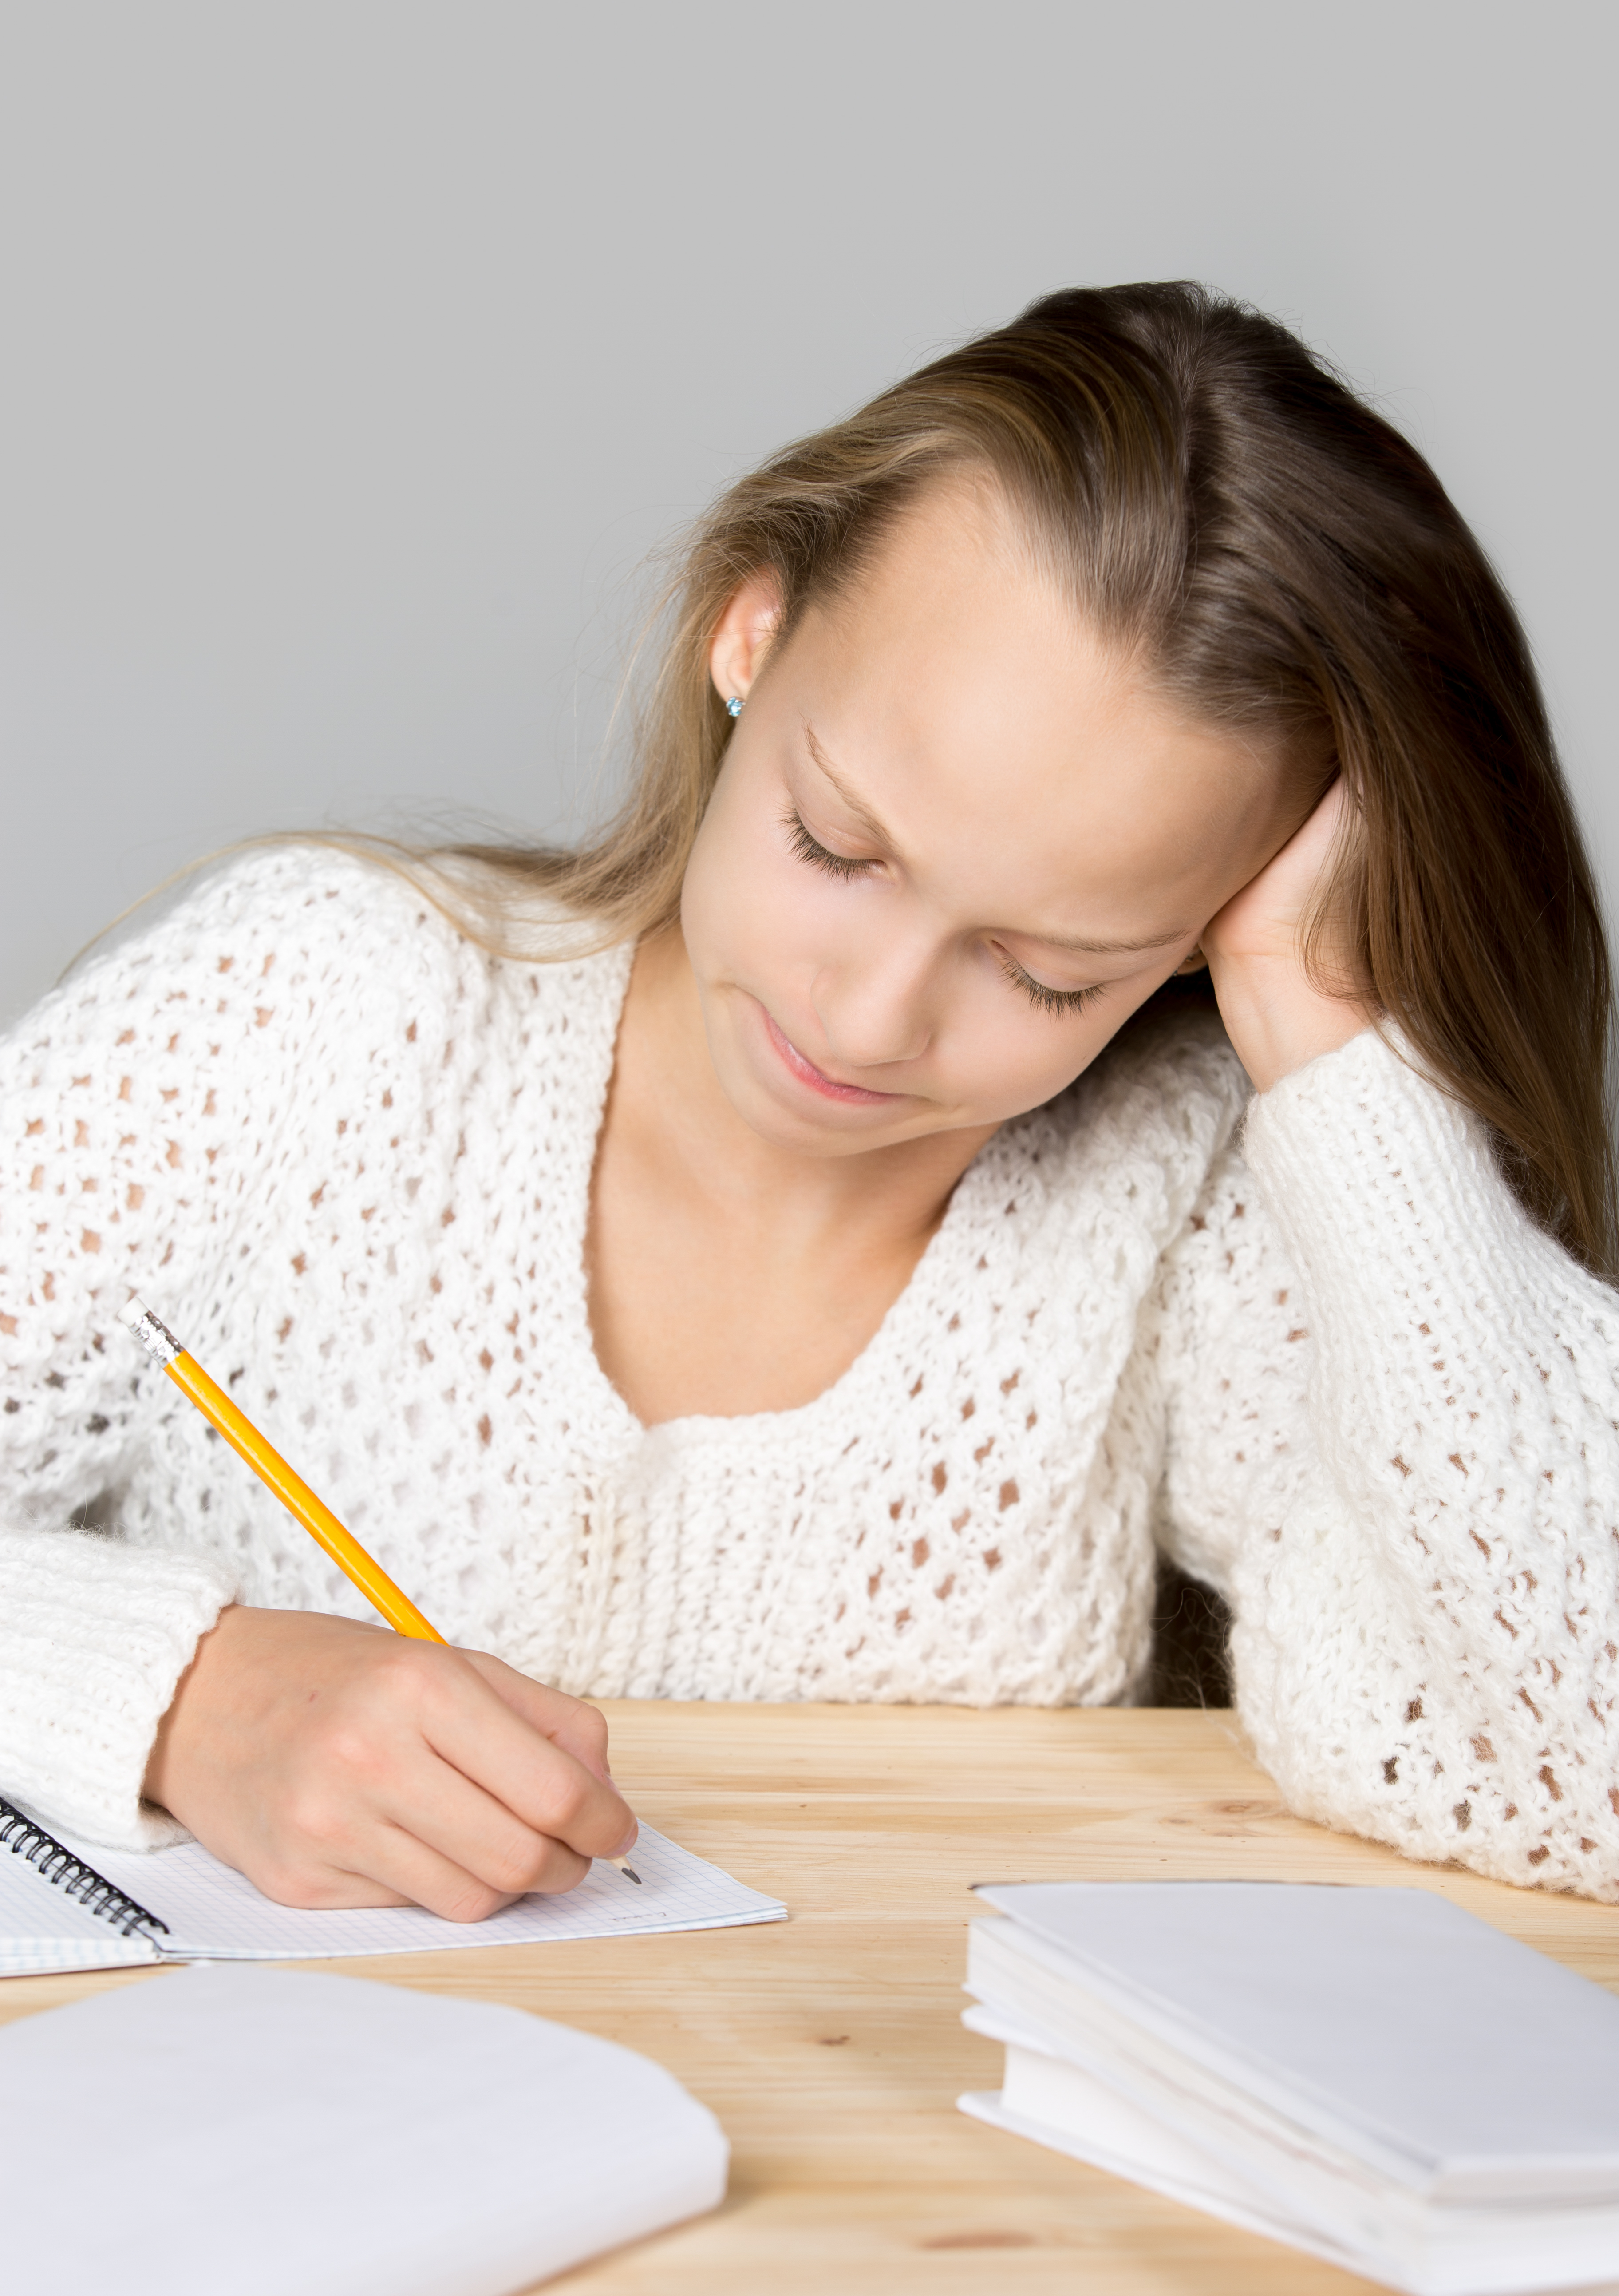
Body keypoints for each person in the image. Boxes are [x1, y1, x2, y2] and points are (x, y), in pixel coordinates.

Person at [3, 282, 1615, 1920]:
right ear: (749, 632)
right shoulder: (314, 1005)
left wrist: (1343, 1056)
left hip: (917, 2162)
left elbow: (1579, 1773)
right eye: (838, 848)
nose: (867, 1014)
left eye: (1051, 968)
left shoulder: (1190, 1198)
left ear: (1203, 938)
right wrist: (179, 1698)